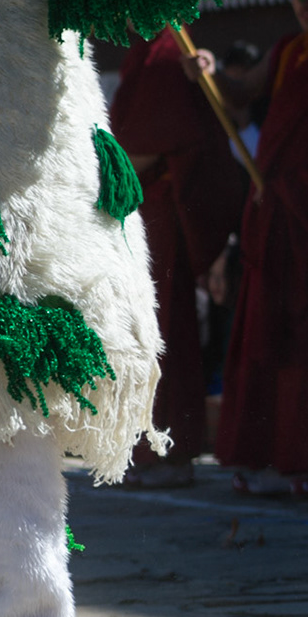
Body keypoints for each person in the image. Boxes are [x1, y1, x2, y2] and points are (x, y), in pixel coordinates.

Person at [213, 0, 308, 497]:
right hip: (279, 220)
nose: (305, 5)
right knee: (267, 336)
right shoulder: (290, 50)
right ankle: (268, 457)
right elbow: (246, 91)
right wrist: (212, 71)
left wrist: (302, 192)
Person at [109, 29, 248, 487]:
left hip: (158, 219)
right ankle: (143, 450)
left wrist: (97, 181)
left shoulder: (169, 49)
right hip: (141, 213)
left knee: (163, 330)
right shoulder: (142, 51)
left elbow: (153, 139)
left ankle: (170, 454)